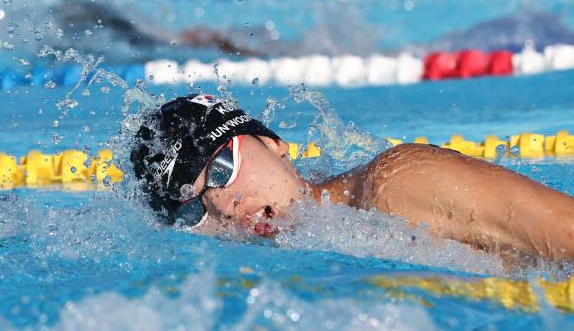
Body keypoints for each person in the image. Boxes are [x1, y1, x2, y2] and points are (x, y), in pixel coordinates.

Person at [131, 94, 574, 261]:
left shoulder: (395, 187)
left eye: (223, 171)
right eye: (193, 209)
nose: (224, 206)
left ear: (273, 142)